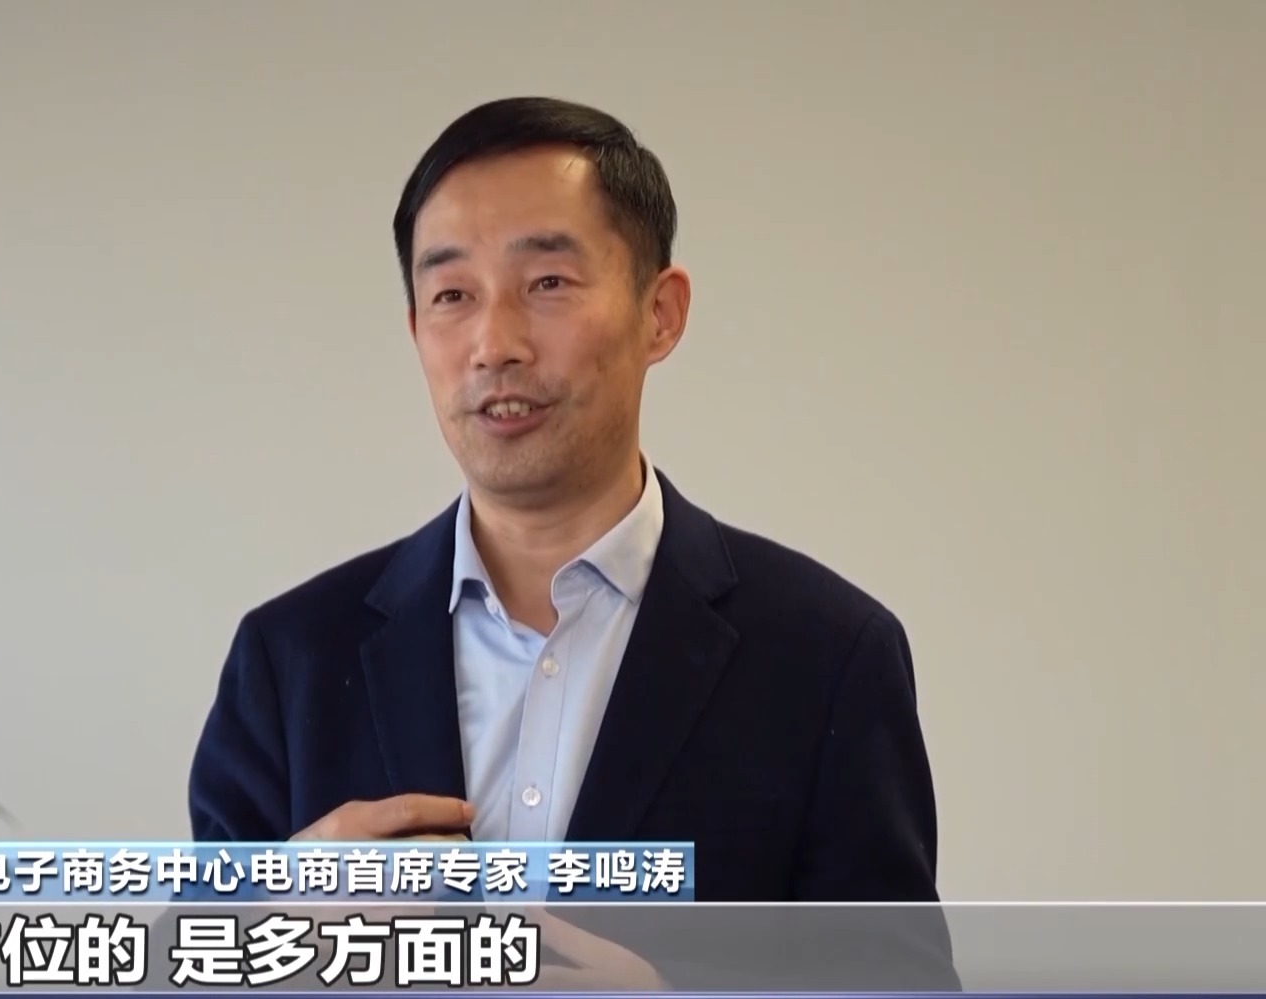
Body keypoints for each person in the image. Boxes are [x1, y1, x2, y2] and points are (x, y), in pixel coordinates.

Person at [187, 96, 952, 987]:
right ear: (416, 331)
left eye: (547, 283)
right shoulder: (290, 659)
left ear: (660, 313)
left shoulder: (828, 656)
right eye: (452, 295)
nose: (494, 344)